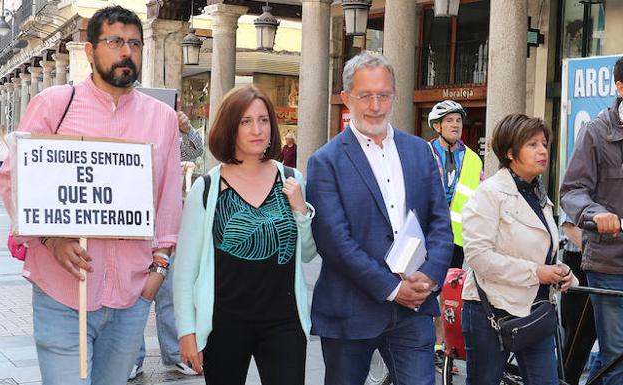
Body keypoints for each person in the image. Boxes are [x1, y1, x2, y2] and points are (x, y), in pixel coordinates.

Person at [0, 6, 182, 385]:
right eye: (115, 41)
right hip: (62, 292)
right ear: (89, 50)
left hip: (132, 296)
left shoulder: (161, 118)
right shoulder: (53, 104)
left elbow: (168, 199)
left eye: (134, 43)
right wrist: (50, 239)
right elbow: (13, 177)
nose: (126, 52)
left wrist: (159, 270)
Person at [306, 52, 453, 385]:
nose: (375, 105)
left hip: (414, 307)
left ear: (394, 96)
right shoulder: (325, 162)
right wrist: (392, 288)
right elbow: (335, 243)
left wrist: (428, 279)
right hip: (350, 311)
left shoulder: (420, 152)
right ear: (346, 99)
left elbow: (441, 226)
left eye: (383, 95)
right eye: (365, 95)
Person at [173, 85, 317, 385]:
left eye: (264, 120)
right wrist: (187, 331)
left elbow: (307, 253)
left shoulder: (291, 179)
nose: (257, 129)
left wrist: (301, 211)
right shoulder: (208, 188)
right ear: (230, 127)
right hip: (224, 323)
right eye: (246, 121)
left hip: (284, 323)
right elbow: (185, 271)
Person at [461, 114, 577, 385]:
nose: (543, 150)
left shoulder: (539, 194)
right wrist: (537, 272)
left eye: (544, 143)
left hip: (535, 312)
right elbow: (478, 256)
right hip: (491, 311)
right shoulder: (489, 193)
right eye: (532, 144)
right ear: (510, 152)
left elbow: (542, 250)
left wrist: (563, 272)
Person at [560, 56, 623, 385]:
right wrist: (597, 215)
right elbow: (571, 191)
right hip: (610, 264)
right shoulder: (596, 133)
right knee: (616, 352)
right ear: (620, 87)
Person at [130, 110, 204, 379]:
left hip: (164, 223)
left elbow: (195, 150)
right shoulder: (117, 133)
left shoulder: (163, 131)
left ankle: (175, 353)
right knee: (131, 294)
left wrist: (185, 128)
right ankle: (131, 357)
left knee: (169, 292)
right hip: (128, 222)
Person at [428, 100, 482, 269]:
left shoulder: (474, 159)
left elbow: (480, 198)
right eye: (449, 120)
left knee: (451, 287)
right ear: (438, 127)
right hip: (428, 233)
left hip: (458, 238)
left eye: (458, 120)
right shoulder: (423, 152)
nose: (455, 125)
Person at [559, 210, 596, 385]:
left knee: (602, 336)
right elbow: (569, 226)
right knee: (578, 337)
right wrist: (597, 254)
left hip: (607, 266)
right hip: (580, 260)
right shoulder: (579, 183)